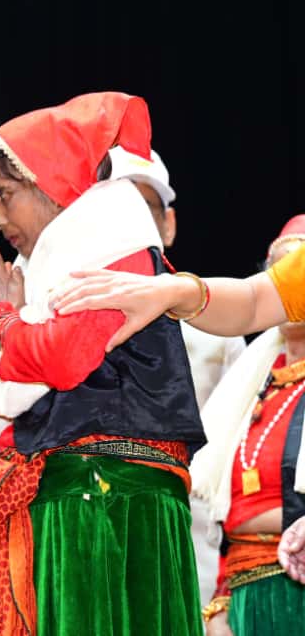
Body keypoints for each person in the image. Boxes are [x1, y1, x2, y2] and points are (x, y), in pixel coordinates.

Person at [0, 92, 205, 635]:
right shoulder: (63, 259)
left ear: (51, 179)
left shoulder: (116, 242)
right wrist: (6, 323)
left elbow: (61, 358)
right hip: (91, 494)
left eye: (3, 195)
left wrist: (2, 321)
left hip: (109, 502)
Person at [109, 145, 246, 605]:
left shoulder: (216, 326)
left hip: (192, 546)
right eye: (114, 210)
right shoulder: (67, 319)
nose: (129, 224)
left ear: (168, 224)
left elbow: (242, 449)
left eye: (143, 209)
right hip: (97, 539)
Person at [191, 217, 305, 635]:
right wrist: (220, 607)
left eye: (297, 272)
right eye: (276, 273)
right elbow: (228, 512)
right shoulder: (251, 387)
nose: (286, 285)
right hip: (244, 597)